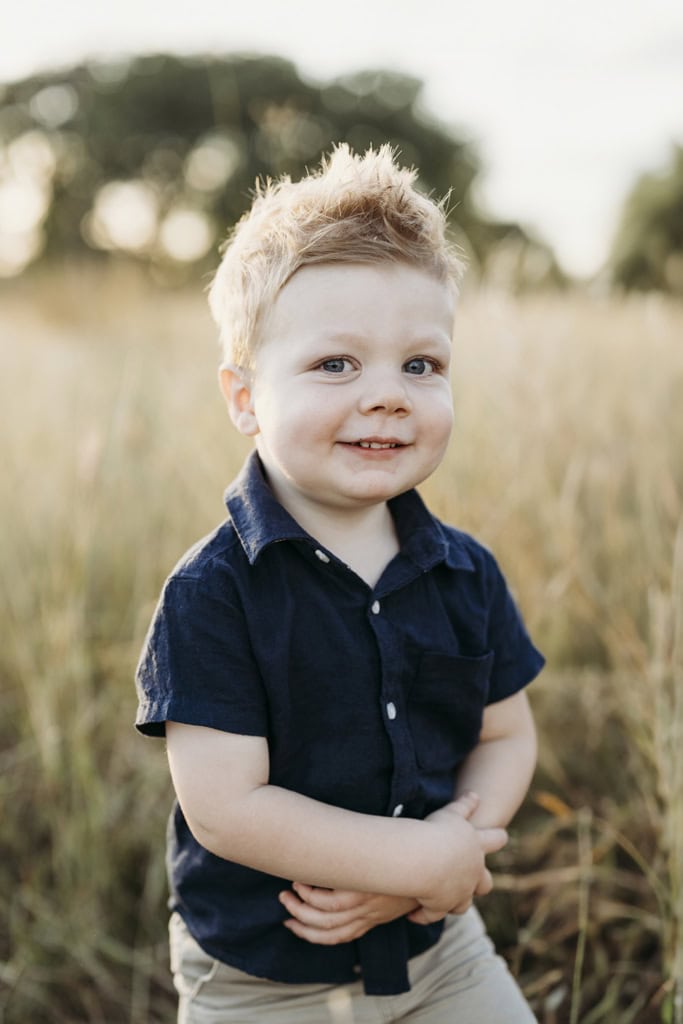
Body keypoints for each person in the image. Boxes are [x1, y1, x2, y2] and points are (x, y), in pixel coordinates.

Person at [135, 143, 545, 1023]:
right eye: (335, 365)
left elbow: (505, 738)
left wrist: (444, 858)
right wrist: (412, 861)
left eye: (420, 365)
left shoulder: (463, 571)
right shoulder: (212, 593)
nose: (388, 396)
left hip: (438, 947)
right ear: (244, 398)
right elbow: (227, 809)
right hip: (260, 977)